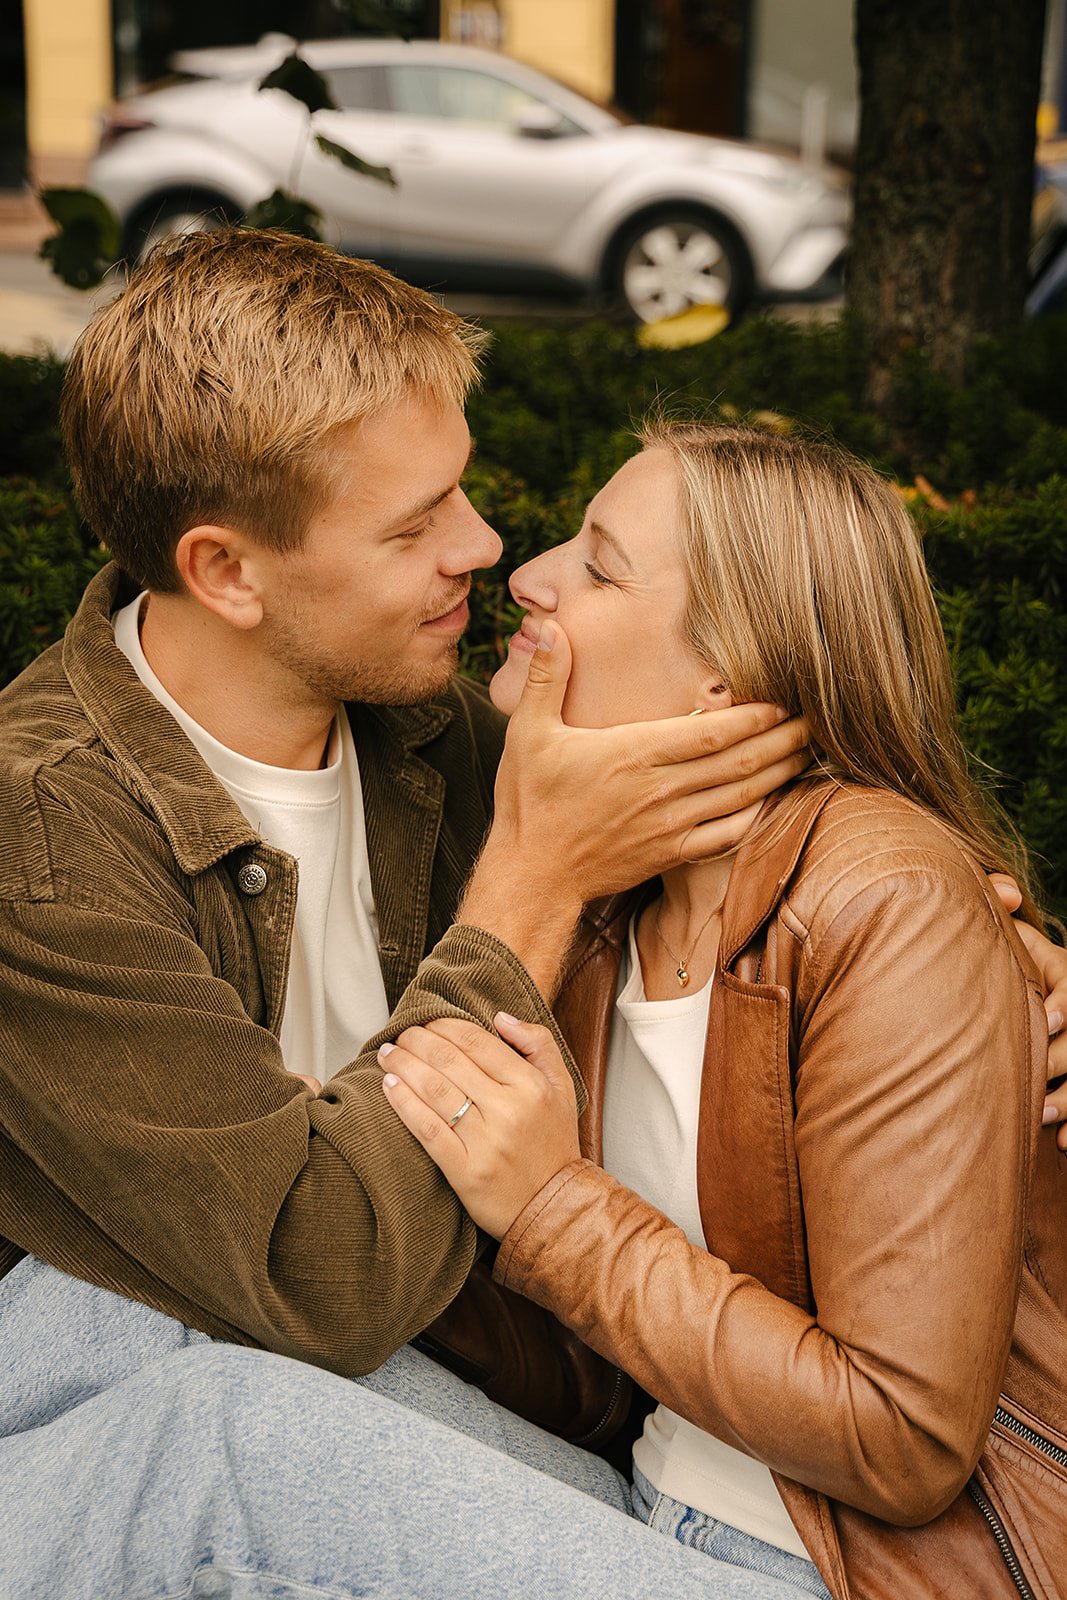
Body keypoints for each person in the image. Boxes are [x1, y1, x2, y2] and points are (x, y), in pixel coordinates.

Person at [0, 230, 817, 1599]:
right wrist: (534, 878)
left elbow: (780, 839)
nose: (485, 547)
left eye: (458, 491)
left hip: (392, 1367)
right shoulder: (41, 840)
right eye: (410, 525)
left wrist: (986, 941)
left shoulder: (432, 730)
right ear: (227, 573)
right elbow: (320, 1286)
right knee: (174, 1381)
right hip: (96, 1393)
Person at [381, 423, 1067, 1598]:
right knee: (174, 1331)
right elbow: (600, 1371)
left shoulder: (881, 899)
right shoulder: (612, 912)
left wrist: (551, 1206)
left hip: (830, 1570)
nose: (528, 572)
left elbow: (902, 1442)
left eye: (599, 567)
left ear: (728, 675)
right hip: (649, 1506)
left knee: (221, 1449)